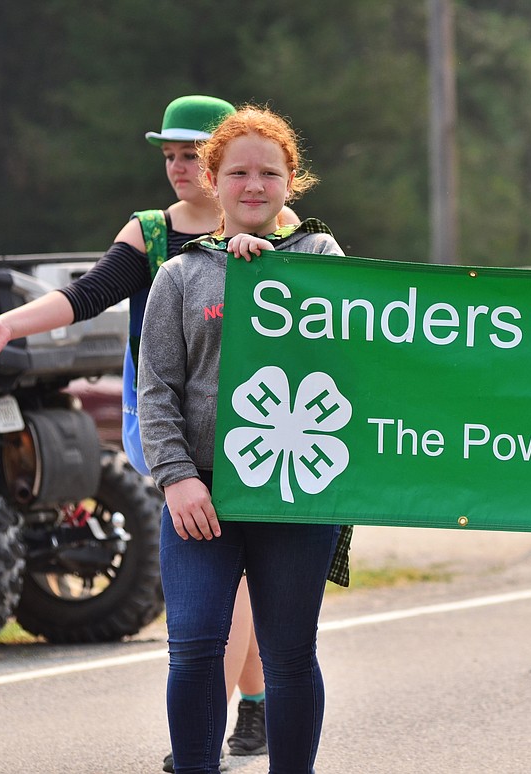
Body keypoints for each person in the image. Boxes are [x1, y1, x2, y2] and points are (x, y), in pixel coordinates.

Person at [0, 94, 281, 770]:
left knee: (240, 580)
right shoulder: (152, 232)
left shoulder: (276, 221)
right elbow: (87, 295)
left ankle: (224, 719)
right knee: (223, 574)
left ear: (222, 159)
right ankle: (247, 706)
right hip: (163, 423)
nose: (181, 168)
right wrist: (9, 324)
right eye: (171, 156)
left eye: (193, 154)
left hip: (261, 430)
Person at [138, 105, 349, 774]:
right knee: (195, 643)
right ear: (212, 178)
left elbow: (352, 342)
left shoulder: (320, 254)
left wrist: (270, 273)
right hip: (203, 497)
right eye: (237, 173)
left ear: (292, 180)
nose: (252, 186)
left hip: (295, 492)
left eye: (269, 173)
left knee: (288, 653)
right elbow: (157, 390)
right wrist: (176, 477)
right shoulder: (177, 275)